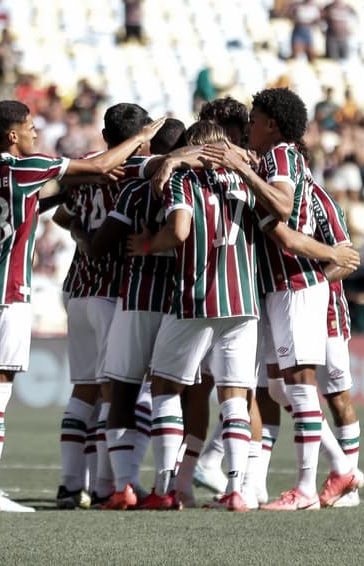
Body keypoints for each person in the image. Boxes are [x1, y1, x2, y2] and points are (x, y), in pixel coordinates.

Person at [0, 100, 163, 513]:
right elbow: (98, 168)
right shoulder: (22, 167)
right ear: (12, 135)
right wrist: (141, 139)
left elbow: (37, 206)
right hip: (9, 286)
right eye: (29, 128)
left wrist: (73, 196)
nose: (35, 134)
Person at [202, 88, 361, 511]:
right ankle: (341, 466)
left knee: (301, 387)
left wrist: (244, 170)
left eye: (254, 120)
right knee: (280, 386)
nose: (250, 128)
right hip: (281, 286)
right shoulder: (275, 161)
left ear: (271, 124)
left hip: (295, 283)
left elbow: (285, 209)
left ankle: (307, 489)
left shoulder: (282, 156)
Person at [126, 120, 263, 512]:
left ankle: (166, 487)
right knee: (235, 396)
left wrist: (149, 245)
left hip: (196, 298)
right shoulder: (244, 182)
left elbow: (180, 231)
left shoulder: (185, 181)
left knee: (165, 388)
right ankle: (237, 489)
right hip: (243, 302)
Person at [76, 117, 187, 510]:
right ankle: (169, 486)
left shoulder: (137, 189)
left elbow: (103, 243)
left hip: (137, 298)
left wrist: (83, 232)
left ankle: (123, 485)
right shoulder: (196, 186)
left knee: (122, 390)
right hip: (181, 303)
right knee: (169, 394)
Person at [51, 103, 157, 510]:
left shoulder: (86, 167)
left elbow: (62, 214)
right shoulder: (131, 171)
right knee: (118, 390)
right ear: (139, 138)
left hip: (77, 288)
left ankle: (69, 485)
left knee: (85, 389)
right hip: (112, 290)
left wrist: (80, 231)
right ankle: (109, 486)